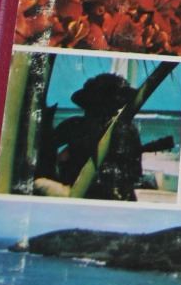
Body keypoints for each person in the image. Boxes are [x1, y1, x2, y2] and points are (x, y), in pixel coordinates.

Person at [33, 72, 170, 203]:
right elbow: (135, 173)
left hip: (83, 195)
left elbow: (46, 151)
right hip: (118, 197)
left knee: (38, 183)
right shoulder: (126, 129)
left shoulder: (77, 126)